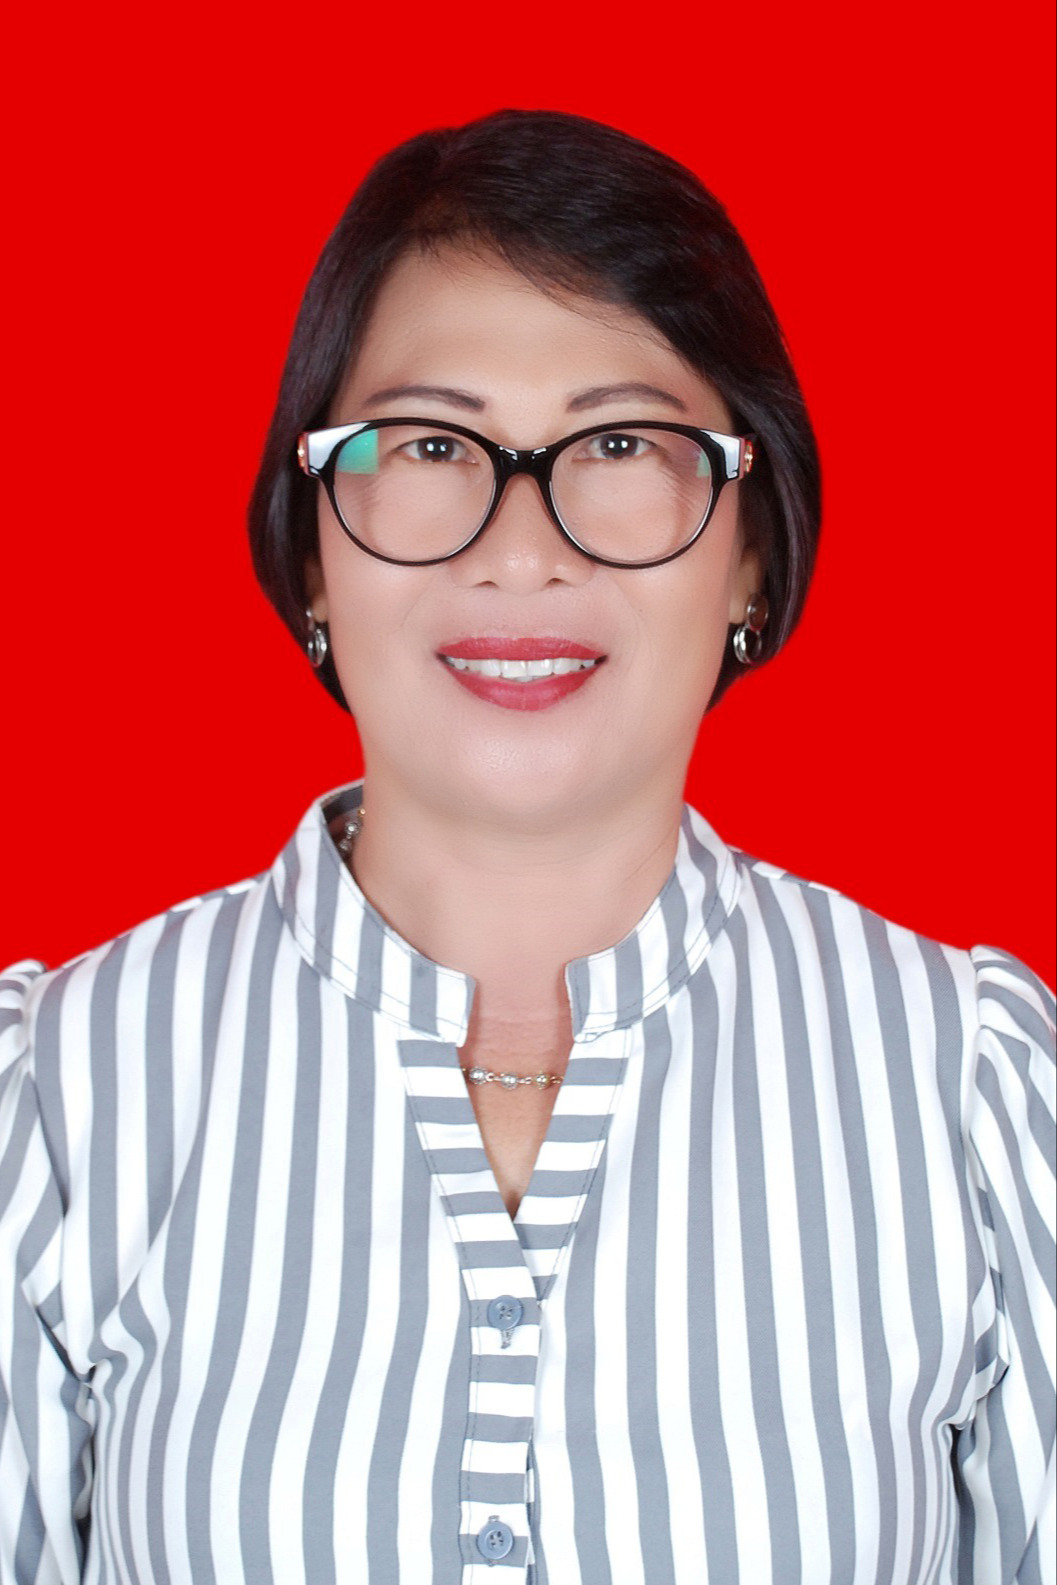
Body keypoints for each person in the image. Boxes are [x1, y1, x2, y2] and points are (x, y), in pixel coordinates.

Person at [0, 109, 1052, 1585]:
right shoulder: (62, 1095)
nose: (519, 548)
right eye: (431, 444)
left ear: (751, 549)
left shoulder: (972, 1090)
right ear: (312, 545)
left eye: (620, 442)